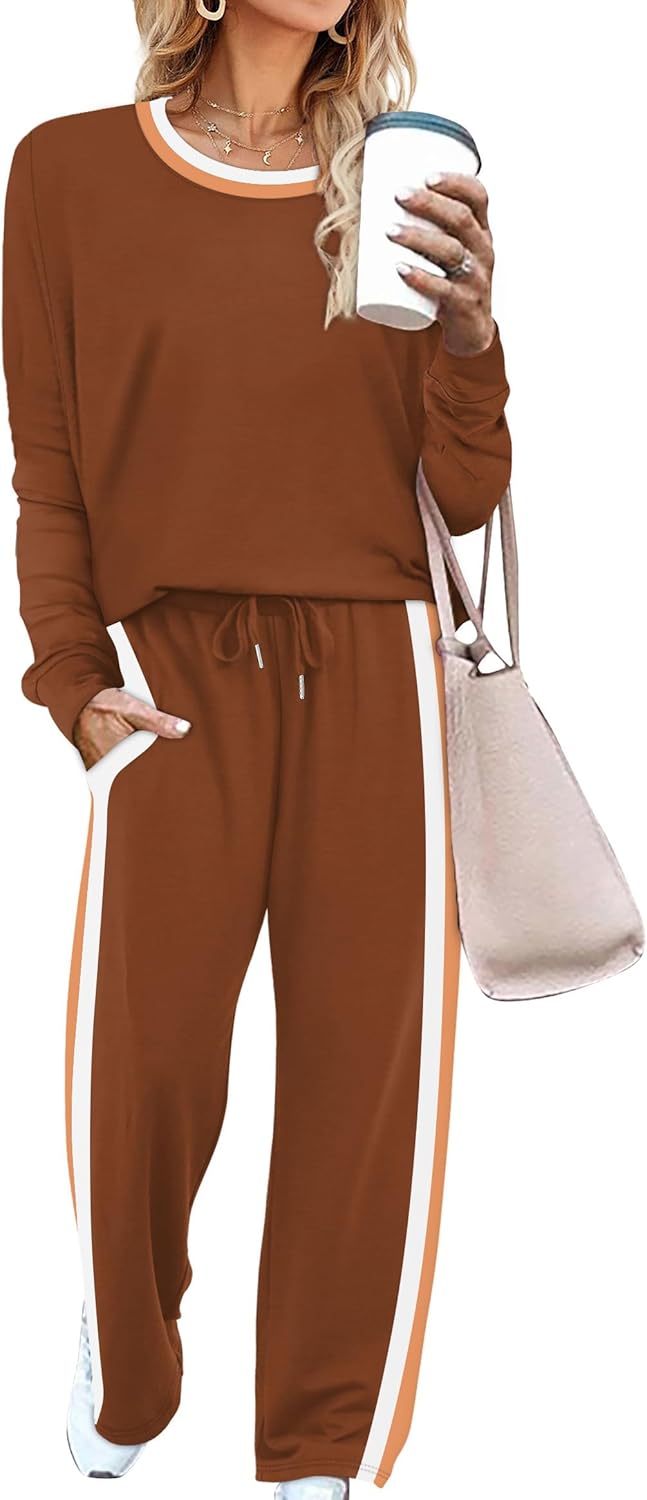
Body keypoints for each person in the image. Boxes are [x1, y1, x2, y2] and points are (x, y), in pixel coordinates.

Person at [1, 0, 512, 1493]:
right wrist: (72, 678)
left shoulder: (402, 179)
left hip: (379, 671)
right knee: (148, 1061)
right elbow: (49, 467)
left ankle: (317, 1450)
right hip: (174, 675)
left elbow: (464, 495)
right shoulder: (69, 173)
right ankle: (130, 1347)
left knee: (363, 1081)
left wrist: (473, 335)